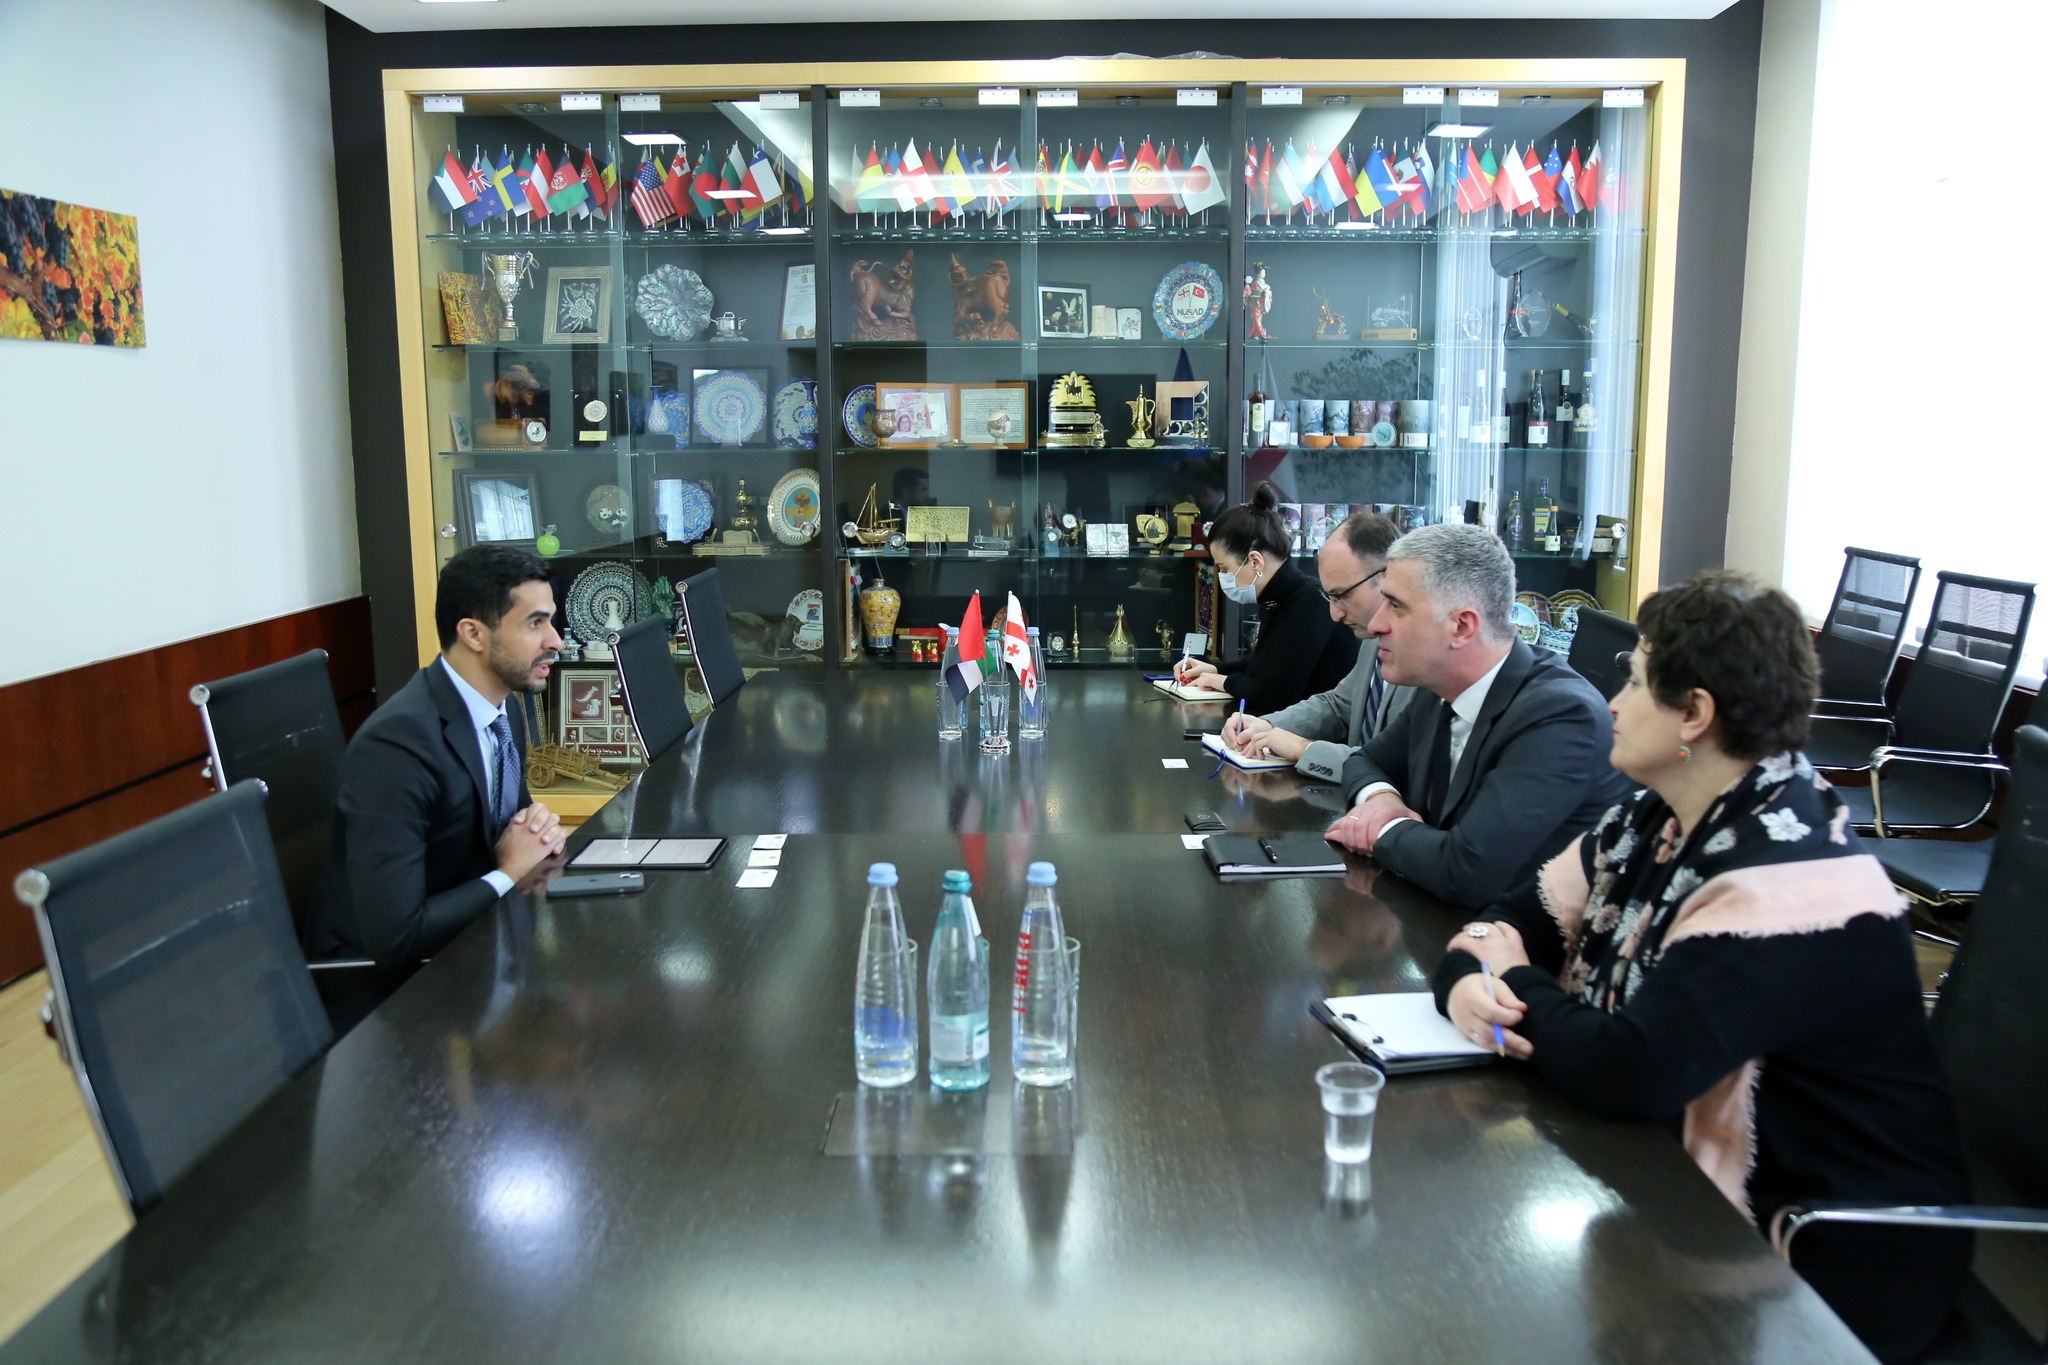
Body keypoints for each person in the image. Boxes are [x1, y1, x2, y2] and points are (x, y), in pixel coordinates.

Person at [1433, 571, 1971, 1364]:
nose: (1613, 702)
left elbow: (1626, 1071)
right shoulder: (1651, 814)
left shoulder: (1788, 880)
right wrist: (1468, 983)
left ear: (1694, 713)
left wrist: (1511, 982)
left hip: (1820, 1254)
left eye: (1634, 681)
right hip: (1674, 1184)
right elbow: (1501, 922)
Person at [307, 545, 568, 1021]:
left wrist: (538, 829)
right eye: (536, 623)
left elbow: (514, 827)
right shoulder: (397, 747)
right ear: (473, 633)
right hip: (389, 994)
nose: (556, 641)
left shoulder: (503, 707)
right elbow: (396, 937)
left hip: (476, 945)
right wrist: (509, 871)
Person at [1325, 523, 1629, 906]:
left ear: (1461, 627)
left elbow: (1466, 870)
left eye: (1397, 606)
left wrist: (1380, 829)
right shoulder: (1440, 684)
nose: (1376, 624)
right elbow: (1365, 761)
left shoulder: (1562, 717)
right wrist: (1382, 798)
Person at [1221, 511, 1415, 782]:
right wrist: (1268, 725)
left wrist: (1304, 749)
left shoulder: (1426, 657)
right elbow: (1338, 705)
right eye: (1329, 596)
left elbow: (1398, 766)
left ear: (1386, 577)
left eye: (1342, 595)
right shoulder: (1372, 639)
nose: (1334, 614)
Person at [1173, 481, 1357, 714]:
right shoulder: (1278, 597)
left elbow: (1274, 694)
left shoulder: (1308, 603)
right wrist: (1215, 669)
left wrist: (1222, 681)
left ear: (1255, 561)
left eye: (1225, 568)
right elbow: (1263, 665)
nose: (1222, 577)